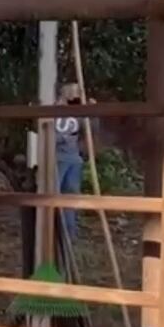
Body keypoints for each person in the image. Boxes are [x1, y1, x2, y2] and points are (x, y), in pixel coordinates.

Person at [55, 83, 90, 241]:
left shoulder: (76, 112)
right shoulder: (73, 111)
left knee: (66, 197)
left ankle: (68, 233)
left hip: (68, 159)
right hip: (64, 158)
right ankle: (64, 234)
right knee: (62, 196)